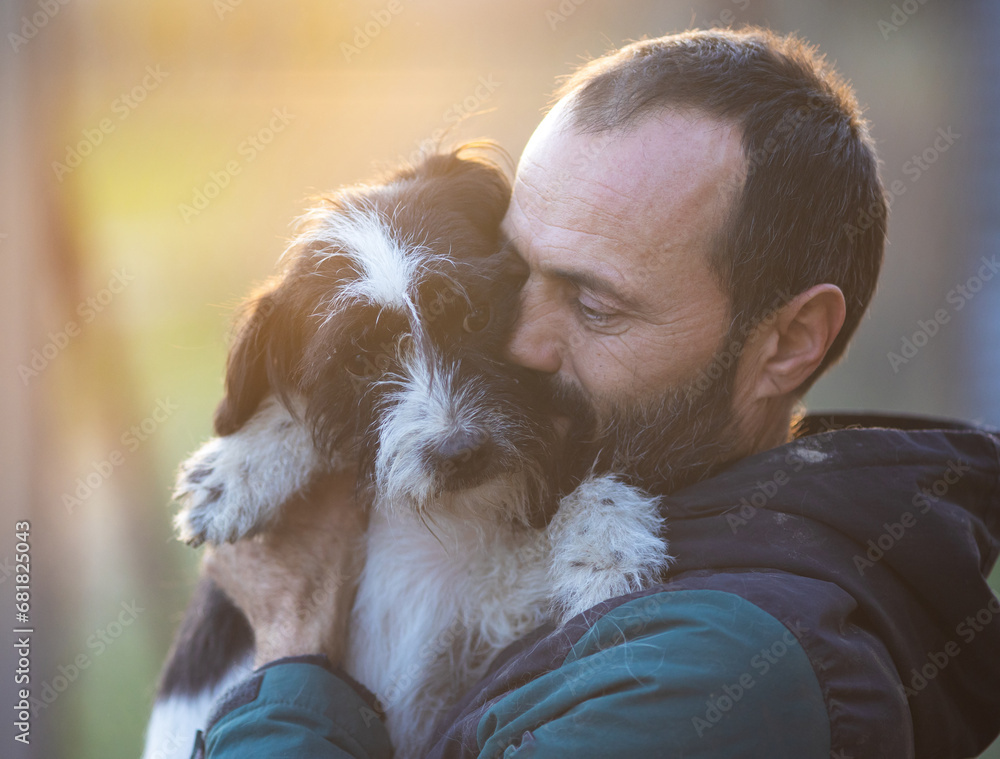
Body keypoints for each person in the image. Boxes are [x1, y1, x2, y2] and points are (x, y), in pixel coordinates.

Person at [193, 27, 1000, 758]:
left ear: (786, 344)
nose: (519, 345)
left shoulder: (717, 673)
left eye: (594, 305)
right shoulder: (680, 523)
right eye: (511, 283)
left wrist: (293, 641)